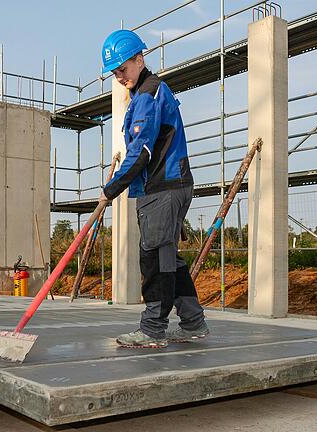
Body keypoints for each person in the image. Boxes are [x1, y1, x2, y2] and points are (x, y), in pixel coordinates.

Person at [99, 29, 209, 348]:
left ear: (139, 59)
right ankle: (192, 322)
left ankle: (152, 330)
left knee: (155, 261)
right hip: (167, 186)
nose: (120, 76)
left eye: (123, 69)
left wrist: (112, 187)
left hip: (163, 187)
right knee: (168, 258)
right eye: (115, 72)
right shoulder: (148, 92)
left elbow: (142, 152)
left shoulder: (148, 95)